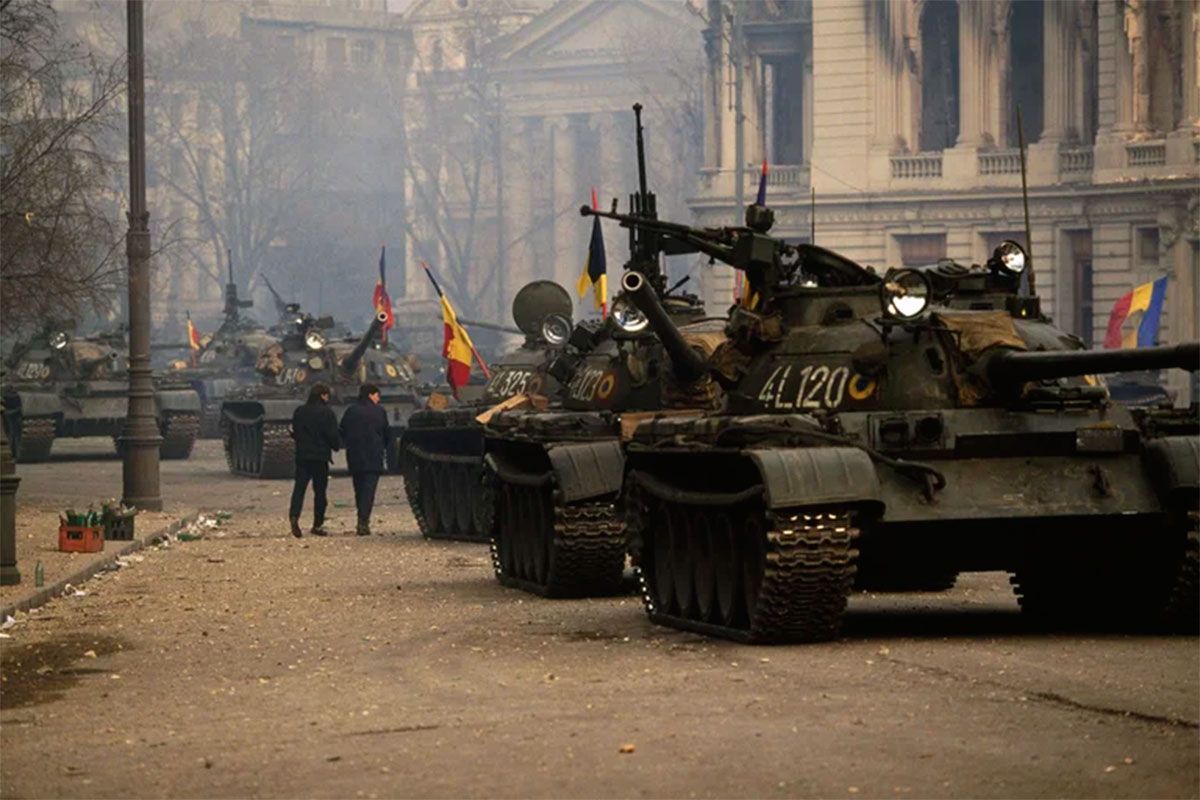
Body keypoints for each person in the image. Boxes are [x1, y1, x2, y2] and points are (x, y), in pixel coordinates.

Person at [339, 383, 393, 536]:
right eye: (377, 395)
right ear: (370, 395)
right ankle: (363, 521)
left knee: (359, 489)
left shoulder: (351, 411)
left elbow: (342, 430)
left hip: (355, 455)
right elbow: (386, 433)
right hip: (374, 455)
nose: (378, 398)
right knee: (369, 491)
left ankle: (361, 518)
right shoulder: (379, 411)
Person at [289, 383, 340, 537]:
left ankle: (294, 516)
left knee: (299, 489)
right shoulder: (327, 412)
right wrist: (336, 446)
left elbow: (295, 431)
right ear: (323, 395)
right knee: (320, 492)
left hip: (303, 456)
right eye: (327, 395)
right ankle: (317, 524)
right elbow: (332, 435)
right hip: (320, 457)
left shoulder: (300, 411)